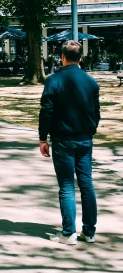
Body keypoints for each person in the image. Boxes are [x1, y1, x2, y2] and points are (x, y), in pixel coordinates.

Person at [38, 40, 100, 245]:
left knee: (66, 186)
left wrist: (42, 138)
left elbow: (46, 111)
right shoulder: (91, 82)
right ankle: (89, 231)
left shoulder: (53, 80)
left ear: (62, 57)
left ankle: (68, 233)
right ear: (80, 58)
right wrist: (91, 130)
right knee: (86, 184)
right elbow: (96, 113)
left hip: (63, 139)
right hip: (84, 138)